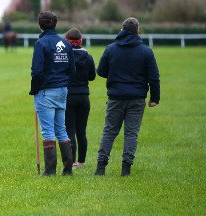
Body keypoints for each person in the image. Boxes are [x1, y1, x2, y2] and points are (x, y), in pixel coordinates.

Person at [95, 17, 160, 176]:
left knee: (109, 132)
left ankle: (100, 167)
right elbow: (154, 77)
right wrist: (154, 98)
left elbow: (101, 71)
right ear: (137, 31)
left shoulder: (111, 49)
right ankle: (126, 169)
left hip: (115, 97)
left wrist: (115, 74)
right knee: (131, 134)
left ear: (122, 30)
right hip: (137, 98)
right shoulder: (146, 51)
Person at [29, 11, 76, 176]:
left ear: (40, 24)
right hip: (62, 90)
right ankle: (68, 169)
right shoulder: (66, 43)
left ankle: (49, 171)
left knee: (48, 131)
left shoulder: (40, 44)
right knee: (61, 129)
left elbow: (36, 71)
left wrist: (35, 89)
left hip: (46, 91)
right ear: (55, 23)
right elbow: (72, 69)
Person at [64, 28, 96, 169]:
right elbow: (92, 77)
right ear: (80, 41)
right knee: (81, 131)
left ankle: (71, 163)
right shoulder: (88, 57)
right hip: (84, 97)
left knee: (70, 130)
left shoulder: (65, 57)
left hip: (69, 96)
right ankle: (81, 162)